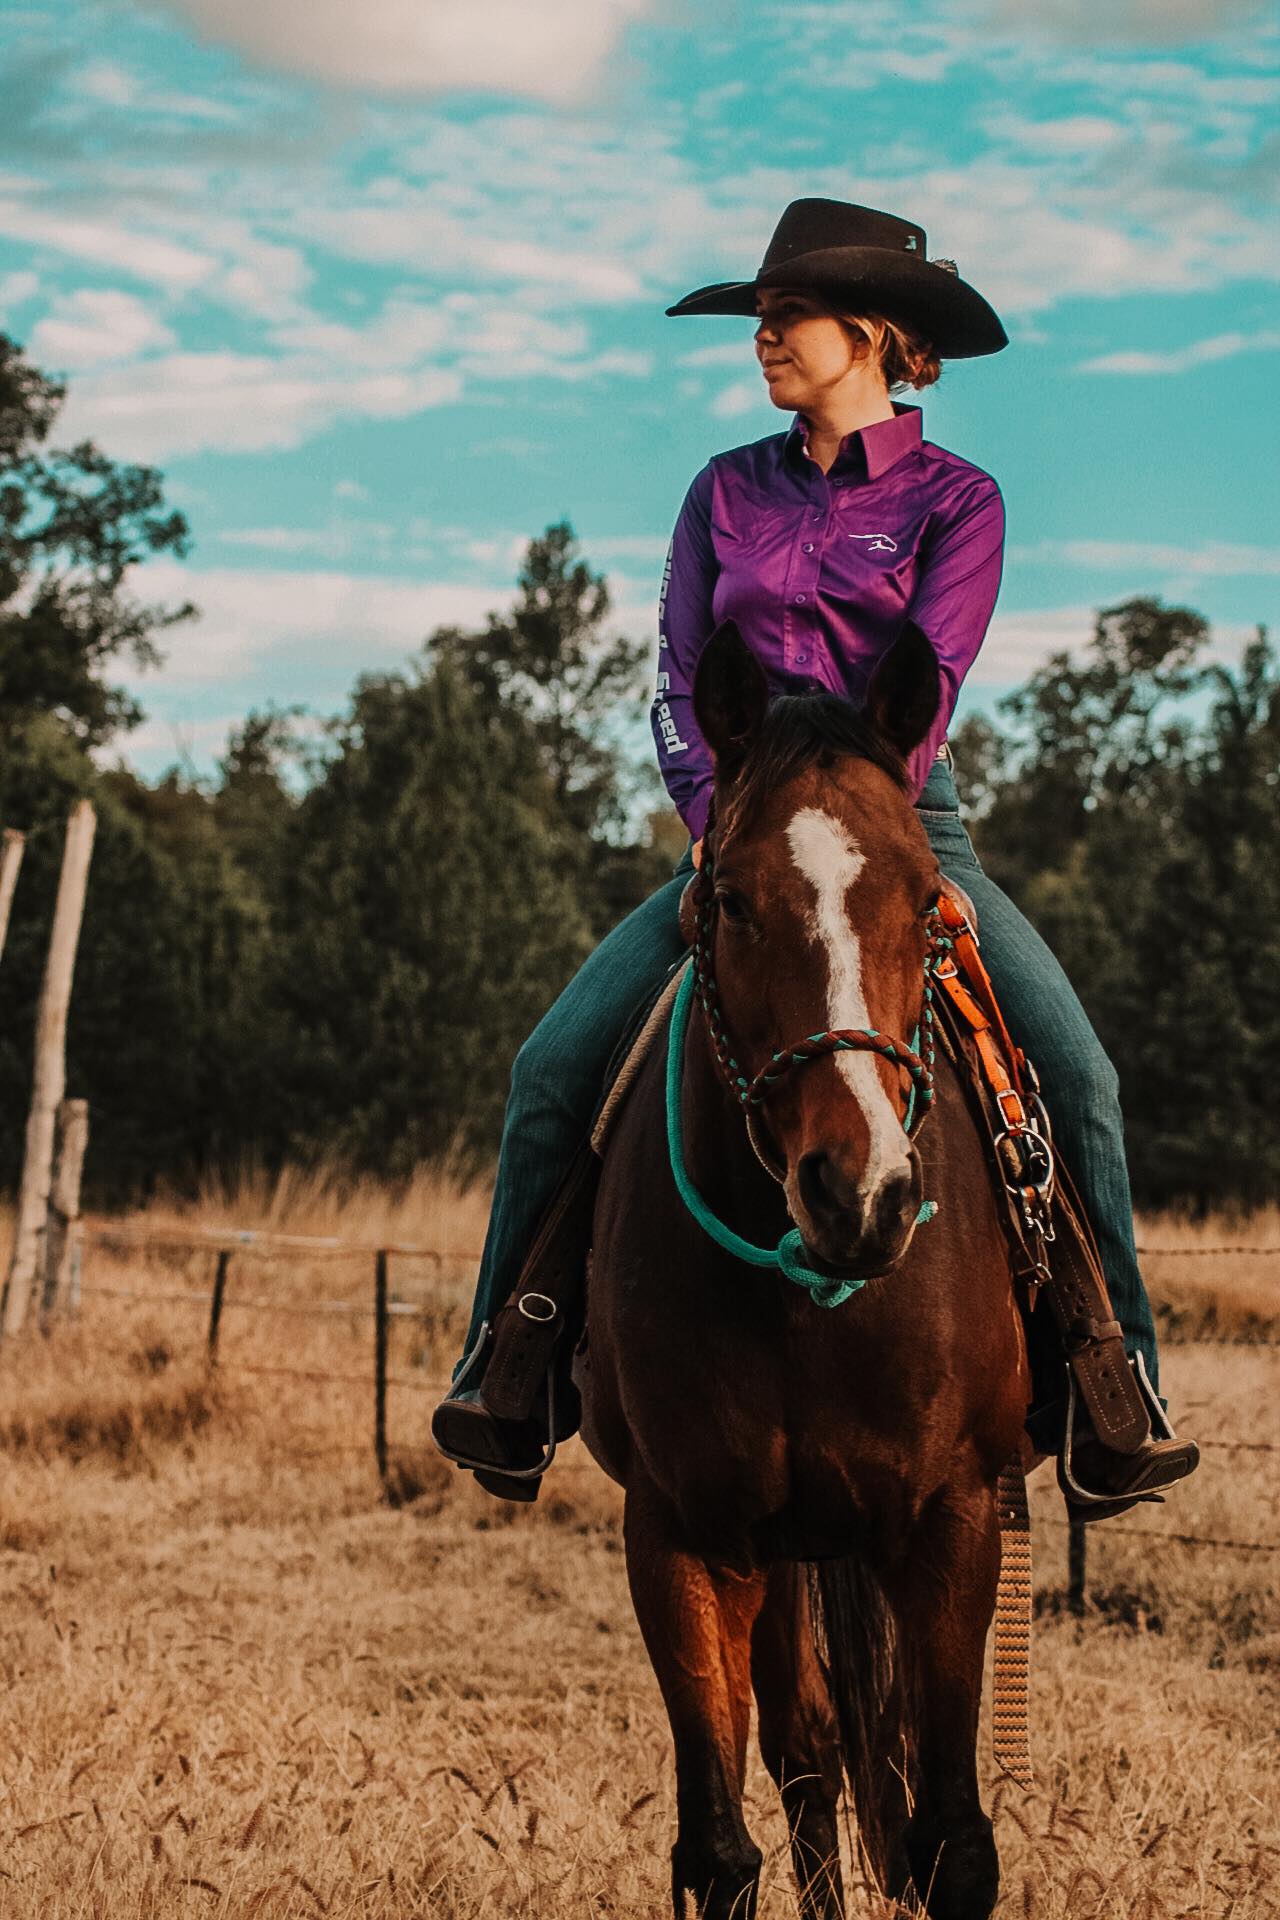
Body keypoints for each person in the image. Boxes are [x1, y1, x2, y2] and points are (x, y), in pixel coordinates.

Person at [433, 197, 1198, 1513]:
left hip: (901, 830)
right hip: (733, 837)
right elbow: (677, 676)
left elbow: (928, 681)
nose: (765, 338)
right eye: (765, 317)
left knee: (1077, 1073)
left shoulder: (960, 500)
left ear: (876, 335)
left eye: (789, 317)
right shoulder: (723, 490)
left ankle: (1113, 1379)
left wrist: (848, 832)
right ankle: (511, 1363)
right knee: (552, 1067)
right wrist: (720, 823)